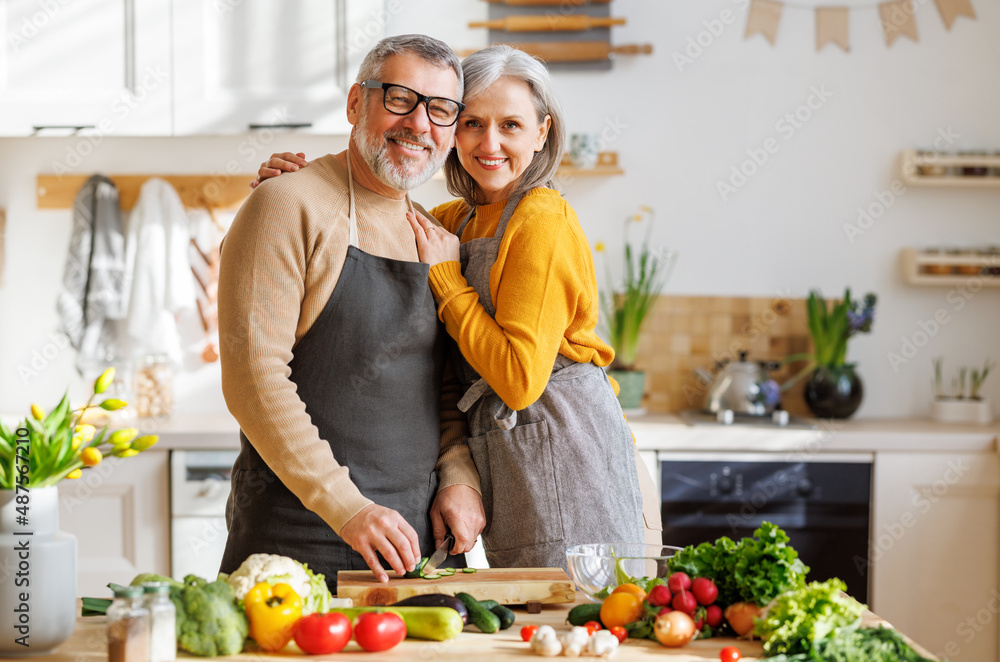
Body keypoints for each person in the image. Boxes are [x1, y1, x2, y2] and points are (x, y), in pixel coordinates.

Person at [255, 45, 659, 570]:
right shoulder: (457, 219)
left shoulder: (543, 220)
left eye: (511, 125)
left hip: (570, 455)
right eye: (472, 123)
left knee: (583, 626)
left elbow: (518, 380)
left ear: (542, 133)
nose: (489, 143)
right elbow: (367, 212)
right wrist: (290, 193)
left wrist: (447, 278)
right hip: (511, 460)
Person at [217, 34, 486, 587]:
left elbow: (440, 388)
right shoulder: (287, 203)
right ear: (354, 104)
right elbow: (252, 379)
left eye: (440, 110)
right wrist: (348, 509)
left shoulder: (436, 237)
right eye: (399, 98)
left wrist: (460, 476)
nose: (418, 123)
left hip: (415, 546)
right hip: (297, 538)